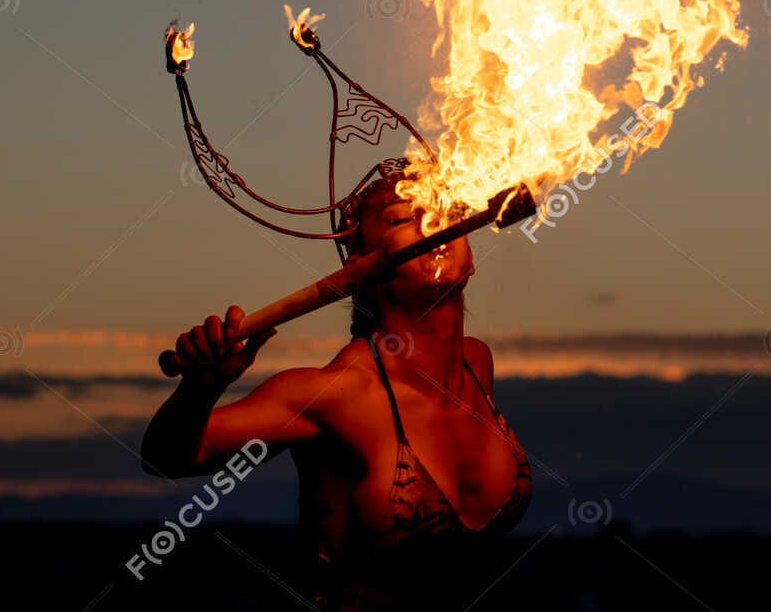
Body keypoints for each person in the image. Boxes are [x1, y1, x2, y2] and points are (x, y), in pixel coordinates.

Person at [141, 170, 531, 608]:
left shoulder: (476, 362)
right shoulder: (334, 395)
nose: (433, 223)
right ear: (360, 267)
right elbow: (166, 458)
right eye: (404, 217)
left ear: (472, 257)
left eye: (448, 212)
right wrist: (200, 388)